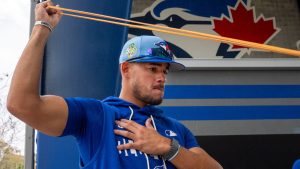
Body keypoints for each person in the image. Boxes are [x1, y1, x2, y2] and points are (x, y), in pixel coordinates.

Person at [7, 1, 223, 169]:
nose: (162, 77)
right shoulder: (96, 115)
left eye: (164, 71)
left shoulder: (176, 128)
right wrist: (42, 28)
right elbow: (21, 104)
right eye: (153, 68)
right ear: (126, 69)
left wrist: (167, 147)